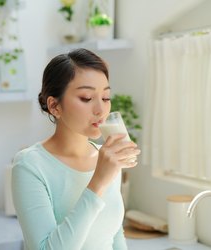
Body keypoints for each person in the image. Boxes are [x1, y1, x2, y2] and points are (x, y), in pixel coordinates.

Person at [11, 48, 141, 250]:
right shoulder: (30, 165)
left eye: (106, 98)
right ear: (55, 106)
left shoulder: (106, 157)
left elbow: (114, 234)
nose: (100, 109)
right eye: (87, 98)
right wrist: (98, 182)